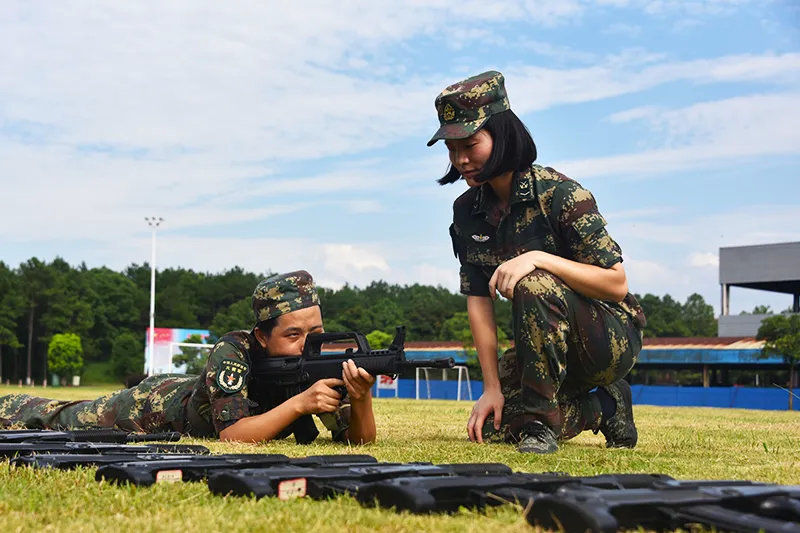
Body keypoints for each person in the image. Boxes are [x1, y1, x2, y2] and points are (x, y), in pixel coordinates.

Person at [428, 71, 646, 454]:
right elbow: (478, 299)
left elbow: (616, 284)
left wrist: (539, 258)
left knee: (536, 281)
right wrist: (491, 388)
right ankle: (607, 406)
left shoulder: (560, 194)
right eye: (451, 148)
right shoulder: (466, 211)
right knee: (493, 426)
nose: (460, 159)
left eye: (471, 144)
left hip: (607, 337)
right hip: (543, 346)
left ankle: (541, 427)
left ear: (502, 136)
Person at [0, 271, 377, 445]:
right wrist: (299, 405)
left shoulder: (316, 366)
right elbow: (232, 436)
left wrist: (361, 400)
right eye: (292, 334)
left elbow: (359, 442)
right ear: (262, 335)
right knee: (57, 418)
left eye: (315, 333)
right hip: (152, 406)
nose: (306, 345)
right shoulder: (234, 350)